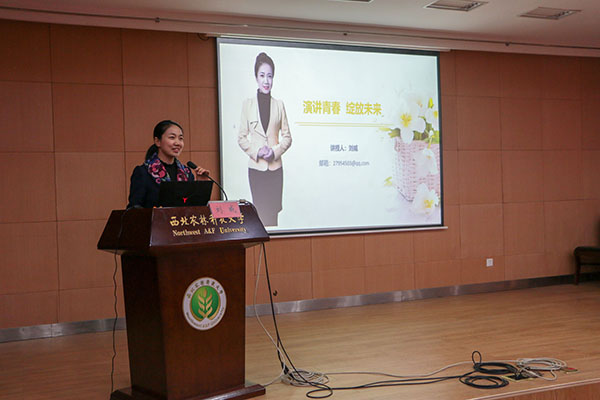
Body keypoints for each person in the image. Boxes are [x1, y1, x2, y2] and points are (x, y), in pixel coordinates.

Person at [238, 52, 292, 226]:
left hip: (275, 170)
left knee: (273, 216)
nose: (266, 81)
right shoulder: (247, 104)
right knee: (259, 214)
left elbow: (287, 137)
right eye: (262, 75)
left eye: (270, 76)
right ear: (256, 77)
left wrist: (274, 152)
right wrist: (257, 151)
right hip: (256, 170)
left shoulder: (279, 104)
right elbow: (241, 137)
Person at [127, 120, 209, 208]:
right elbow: (134, 208)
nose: (177, 143)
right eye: (172, 137)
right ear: (157, 141)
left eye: (180, 138)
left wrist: (201, 185)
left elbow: (195, 207)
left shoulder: (186, 173)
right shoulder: (144, 172)